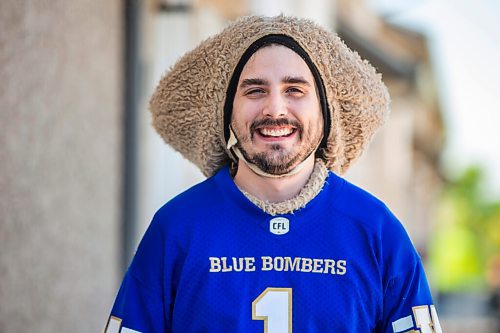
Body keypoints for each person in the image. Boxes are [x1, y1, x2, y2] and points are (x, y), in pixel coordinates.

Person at [105, 15, 442, 333]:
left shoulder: (377, 231)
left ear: (326, 111)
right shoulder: (177, 228)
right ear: (227, 112)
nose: (275, 109)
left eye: (295, 89)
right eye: (255, 90)